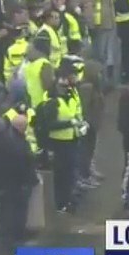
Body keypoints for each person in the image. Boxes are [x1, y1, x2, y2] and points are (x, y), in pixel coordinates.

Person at [33, 56, 86, 213]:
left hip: (72, 139)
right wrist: (71, 123)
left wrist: (80, 124)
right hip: (59, 143)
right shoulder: (52, 101)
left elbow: (75, 111)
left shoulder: (70, 94)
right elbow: (50, 125)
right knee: (61, 175)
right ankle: (61, 203)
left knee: (70, 172)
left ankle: (69, 198)